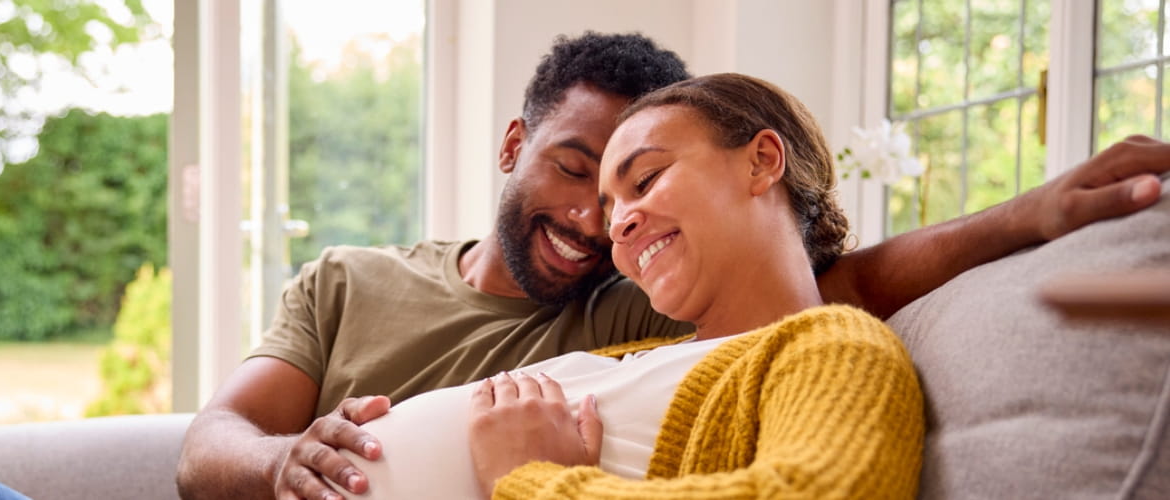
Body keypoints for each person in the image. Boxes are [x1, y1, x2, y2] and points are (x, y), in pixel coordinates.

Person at [0, 32, 1168, 500]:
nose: (606, 220)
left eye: (645, 183)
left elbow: (824, 300)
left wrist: (1028, 217)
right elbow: (210, 440)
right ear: (515, 146)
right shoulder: (357, 280)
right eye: (586, 171)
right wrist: (281, 463)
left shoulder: (648, 318)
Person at [324, 72, 923, 500]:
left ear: (762, 160)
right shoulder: (652, 352)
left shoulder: (831, 348)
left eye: (648, 178)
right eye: (614, 209)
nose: (616, 225)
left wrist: (531, 480)